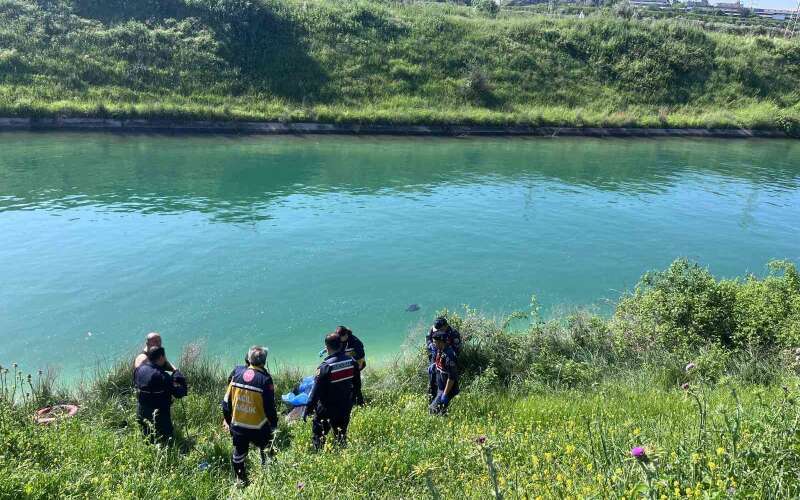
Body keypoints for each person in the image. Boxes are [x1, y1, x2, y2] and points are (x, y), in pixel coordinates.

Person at [221, 346, 278, 486]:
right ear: (264, 362)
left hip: (238, 424)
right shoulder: (265, 379)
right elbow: (270, 407)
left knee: (239, 454)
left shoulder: (237, 375)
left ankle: (240, 480)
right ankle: (268, 476)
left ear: (249, 359)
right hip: (258, 425)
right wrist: (274, 424)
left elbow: (225, 403)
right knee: (266, 449)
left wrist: (229, 422)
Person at [304, 333, 361, 450]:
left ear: (326, 347)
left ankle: (318, 455)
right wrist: (352, 400)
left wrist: (307, 409)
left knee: (319, 436)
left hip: (326, 409)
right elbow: (357, 385)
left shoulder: (325, 367)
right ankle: (341, 455)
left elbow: (315, 393)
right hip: (345, 406)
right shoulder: (352, 362)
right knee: (341, 435)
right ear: (341, 345)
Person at [134, 346, 187, 443]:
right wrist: (176, 371)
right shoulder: (163, 377)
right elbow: (180, 393)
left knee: (148, 439)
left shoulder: (139, 370)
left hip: (142, 411)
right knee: (167, 440)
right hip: (159, 416)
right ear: (162, 357)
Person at [425, 317, 461, 401]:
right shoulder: (433, 328)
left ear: (445, 326)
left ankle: (446, 398)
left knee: (446, 380)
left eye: (439, 329)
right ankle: (431, 400)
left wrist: (444, 355)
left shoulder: (453, 334)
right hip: (435, 358)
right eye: (436, 329)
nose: (436, 331)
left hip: (446, 360)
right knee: (432, 380)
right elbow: (428, 339)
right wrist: (431, 345)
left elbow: (457, 349)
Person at [429, 330, 459, 416]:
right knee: (441, 412)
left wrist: (445, 394)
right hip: (441, 388)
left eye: (435, 342)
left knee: (432, 409)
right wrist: (435, 366)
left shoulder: (449, 356)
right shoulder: (440, 351)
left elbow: (452, 377)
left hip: (447, 389)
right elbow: (442, 367)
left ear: (441, 342)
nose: (433, 344)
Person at [335, 326, 366, 405]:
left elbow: (361, 355)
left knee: (356, 385)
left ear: (345, 335)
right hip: (346, 364)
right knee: (346, 384)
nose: (338, 340)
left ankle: (360, 403)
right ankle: (349, 401)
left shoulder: (355, 342)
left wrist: (347, 353)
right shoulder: (340, 339)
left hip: (357, 364)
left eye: (340, 338)